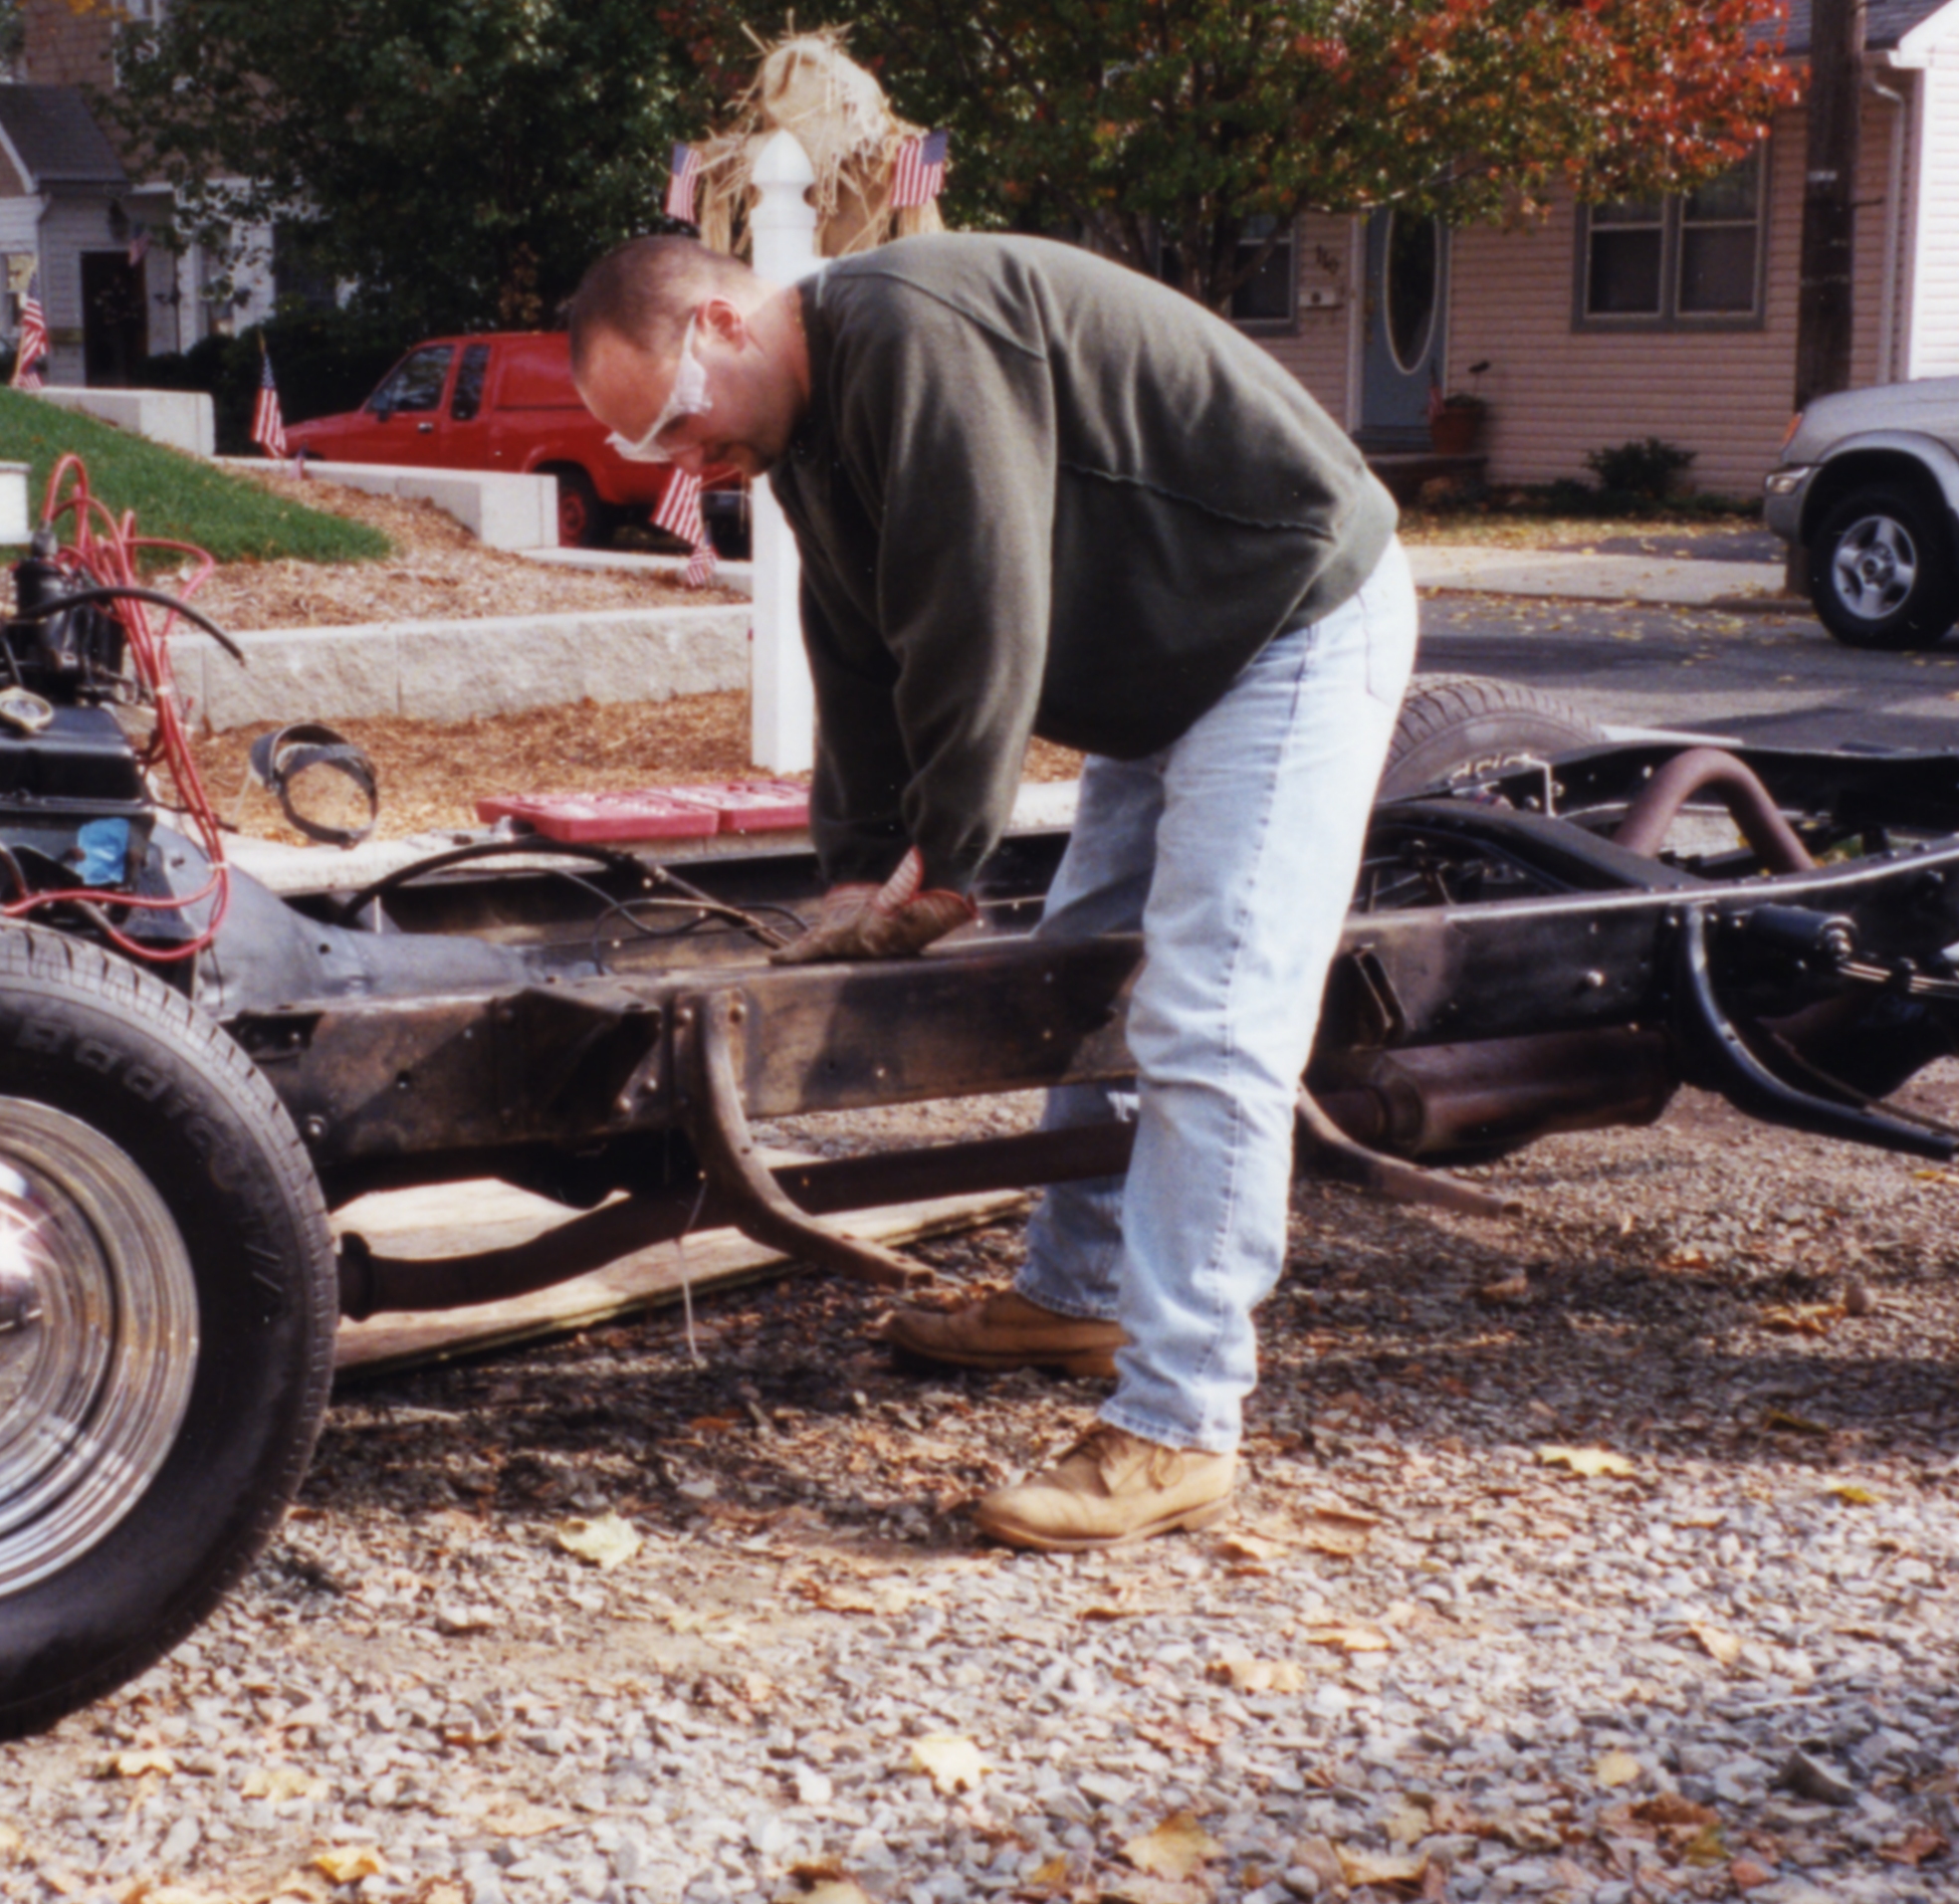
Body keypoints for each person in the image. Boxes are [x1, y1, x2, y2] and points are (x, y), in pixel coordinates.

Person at [567, 231, 1415, 1553]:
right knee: (1085, 971)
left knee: (1212, 1012)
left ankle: (1183, 1423)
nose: (688, 466)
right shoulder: (805, 434)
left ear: (727, 323)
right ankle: (1075, 1295)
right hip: (1165, 655)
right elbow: (856, 645)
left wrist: (948, 852)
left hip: (1283, 615)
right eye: (653, 454)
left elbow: (983, 600)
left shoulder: (910, 331)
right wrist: (856, 856)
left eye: (679, 423)